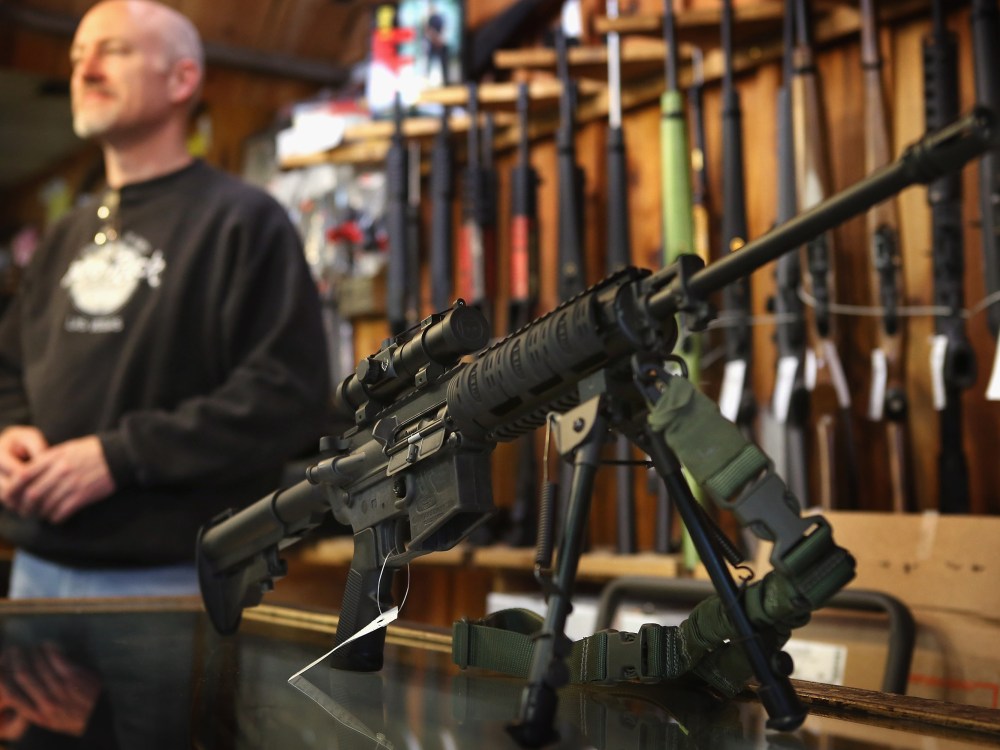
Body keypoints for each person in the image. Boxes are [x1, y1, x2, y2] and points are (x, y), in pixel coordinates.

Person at [0, 0, 331, 598]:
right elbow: (9, 368)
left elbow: (287, 393)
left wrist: (120, 456)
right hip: (37, 569)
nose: (86, 70)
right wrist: (9, 432)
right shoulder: (64, 234)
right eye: (77, 57)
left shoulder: (243, 220)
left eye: (114, 51)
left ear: (183, 79)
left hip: (173, 577)